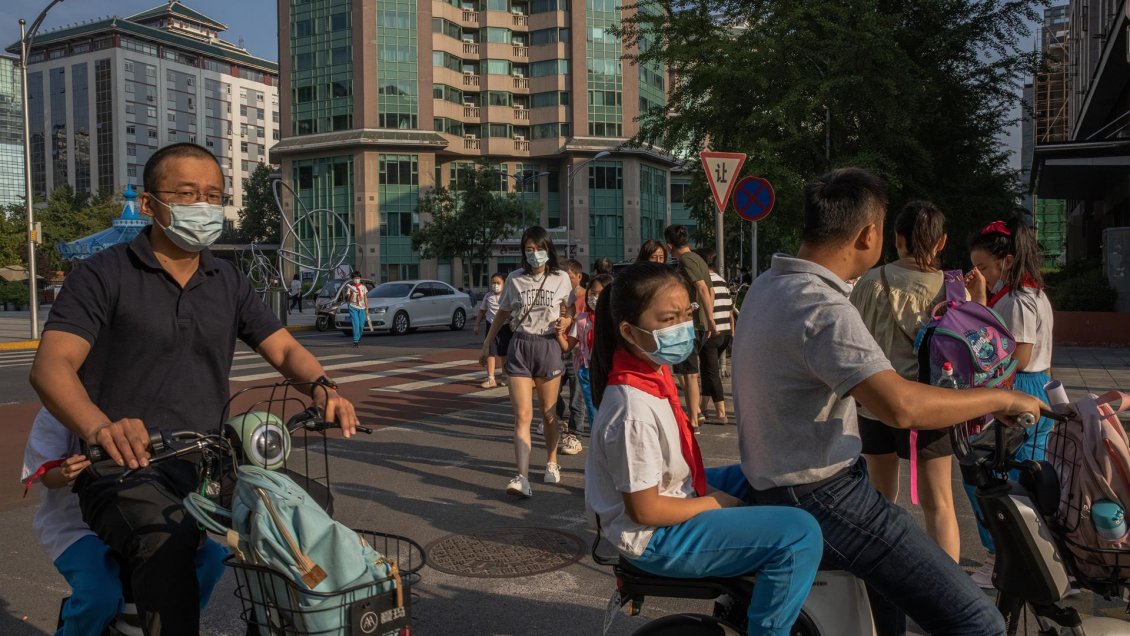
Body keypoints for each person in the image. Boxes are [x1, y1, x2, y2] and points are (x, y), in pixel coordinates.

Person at [28, 142, 362, 636]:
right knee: (166, 542)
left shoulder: (227, 280)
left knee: (304, 510)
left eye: (213, 195)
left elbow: (285, 349)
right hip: (122, 467)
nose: (202, 206)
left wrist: (323, 387)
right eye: (186, 194)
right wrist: (101, 428)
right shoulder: (103, 274)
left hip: (206, 463)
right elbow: (51, 366)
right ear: (149, 204)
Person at [733, 167, 1043, 636]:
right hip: (823, 492)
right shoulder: (823, 306)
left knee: (888, 590)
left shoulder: (766, 285)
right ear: (869, 234)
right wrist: (1001, 398)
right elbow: (901, 406)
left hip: (779, 480)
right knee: (980, 621)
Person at [585, 261, 823, 636]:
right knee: (800, 534)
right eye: (668, 319)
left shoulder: (651, 371)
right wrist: (714, 502)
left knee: (763, 472)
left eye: (686, 313)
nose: (682, 326)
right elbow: (645, 510)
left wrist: (715, 495)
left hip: (668, 498)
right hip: (652, 538)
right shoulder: (631, 411)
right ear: (629, 331)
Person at [21, 408, 227, 636]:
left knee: (211, 559)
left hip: (139, 512)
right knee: (99, 595)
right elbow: (46, 474)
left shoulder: (141, 398)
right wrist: (66, 471)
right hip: (76, 528)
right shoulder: (57, 410)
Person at [848, 201, 961, 562]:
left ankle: (881, 578)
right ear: (941, 242)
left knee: (880, 498)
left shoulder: (869, 282)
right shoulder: (954, 289)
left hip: (876, 404)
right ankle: (946, 591)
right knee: (939, 504)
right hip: (931, 407)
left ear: (897, 239)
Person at [963, 217, 1055, 588]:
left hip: (1017, 388)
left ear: (1008, 261)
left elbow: (1019, 355)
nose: (980, 274)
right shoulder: (1033, 294)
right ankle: (1031, 558)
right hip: (1036, 386)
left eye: (984, 267)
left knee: (987, 475)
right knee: (1027, 478)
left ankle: (1000, 556)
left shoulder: (1017, 300)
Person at [480, 226, 575, 498]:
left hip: (547, 346)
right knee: (522, 415)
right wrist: (487, 343)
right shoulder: (514, 279)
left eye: (539, 248)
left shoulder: (560, 278)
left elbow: (570, 310)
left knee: (548, 413)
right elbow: (503, 313)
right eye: (529, 249)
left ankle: (552, 461)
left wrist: (566, 321)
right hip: (520, 345)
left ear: (548, 249)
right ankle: (521, 476)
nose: (535, 254)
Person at [664, 224, 717, 432]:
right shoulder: (698, 259)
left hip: (691, 324)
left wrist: (710, 319)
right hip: (699, 324)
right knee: (687, 372)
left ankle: (694, 419)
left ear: (669, 245)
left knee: (690, 374)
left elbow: (702, 287)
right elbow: (710, 290)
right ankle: (696, 412)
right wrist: (709, 318)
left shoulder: (686, 261)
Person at [561, 273, 612, 430]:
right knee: (592, 409)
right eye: (592, 293)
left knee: (611, 410)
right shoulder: (582, 319)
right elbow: (567, 346)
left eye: (599, 294)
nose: (594, 298)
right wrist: (558, 333)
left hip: (610, 370)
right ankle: (597, 437)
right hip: (586, 369)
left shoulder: (615, 319)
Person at [693, 247, 734, 424]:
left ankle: (721, 413)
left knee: (711, 372)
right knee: (707, 369)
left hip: (711, 332)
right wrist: (732, 331)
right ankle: (703, 406)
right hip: (725, 333)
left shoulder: (703, 282)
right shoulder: (722, 281)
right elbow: (730, 309)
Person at [554, 259, 586, 453]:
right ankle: (564, 417)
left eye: (569, 278)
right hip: (559, 348)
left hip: (578, 351)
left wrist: (569, 319)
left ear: (578, 277)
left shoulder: (586, 298)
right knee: (551, 391)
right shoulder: (559, 297)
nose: (565, 281)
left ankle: (575, 434)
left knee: (577, 395)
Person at [473, 273, 509, 389]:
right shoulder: (488, 296)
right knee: (490, 351)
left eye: (498, 283)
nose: (495, 285)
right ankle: (491, 378)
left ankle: (505, 376)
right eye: (493, 283)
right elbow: (482, 311)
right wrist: (476, 324)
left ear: (504, 284)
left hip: (505, 326)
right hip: (491, 326)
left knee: (504, 352)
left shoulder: (507, 295)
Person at [345, 271, 369, 347]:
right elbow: (348, 299)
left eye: (358, 278)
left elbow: (365, 298)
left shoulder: (363, 287)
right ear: (352, 279)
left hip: (362, 307)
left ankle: (358, 338)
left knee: (361, 325)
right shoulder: (350, 287)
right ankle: (355, 341)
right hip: (353, 307)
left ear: (360, 278)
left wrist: (367, 308)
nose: (356, 280)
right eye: (355, 278)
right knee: (356, 324)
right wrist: (351, 293)